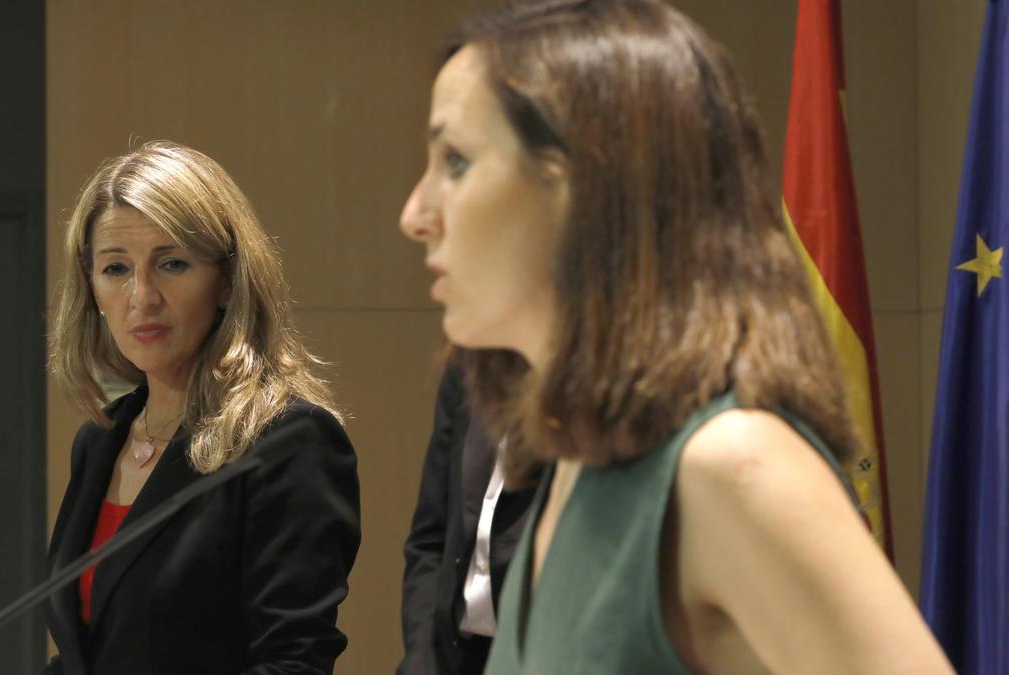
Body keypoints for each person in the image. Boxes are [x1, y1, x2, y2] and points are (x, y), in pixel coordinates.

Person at [398, 1, 954, 673]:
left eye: (455, 161)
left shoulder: (732, 465)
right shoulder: (578, 454)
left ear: (590, 185)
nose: (415, 215)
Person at [44, 141, 360, 675]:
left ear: (227, 281)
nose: (142, 296)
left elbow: (292, 663)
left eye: (172, 264)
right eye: (115, 269)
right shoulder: (100, 441)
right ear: (91, 289)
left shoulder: (288, 441)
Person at [399, 355, 535, 675]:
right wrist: (421, 658)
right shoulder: (466, 369)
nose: (437, 300)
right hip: (453, 656)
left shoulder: (586, 385)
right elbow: (430, 538)